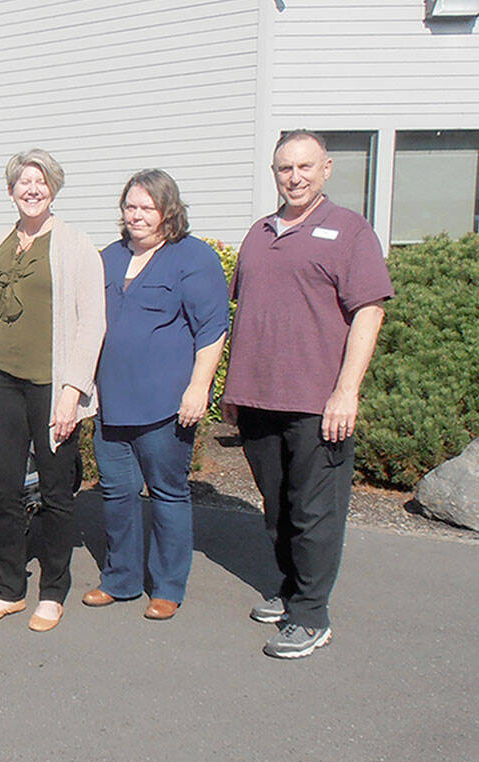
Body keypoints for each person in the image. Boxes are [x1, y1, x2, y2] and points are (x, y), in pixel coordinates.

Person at [223, 130, 392, 659]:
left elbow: (370, 310)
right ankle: (294, 588)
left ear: (327, 168)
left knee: (316, 512)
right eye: (283, 169)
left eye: (303, 167)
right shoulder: (259, 232)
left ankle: (312, 615)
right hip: (257, 399)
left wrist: (347, 391)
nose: (293, 177)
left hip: (317, 402)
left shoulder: (349, 230)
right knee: (279, 508)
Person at [0, 149, 106, 632]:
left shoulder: (74, 244)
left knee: (55, 493)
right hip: (2, 381)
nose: (32, 189)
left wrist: (73, 391)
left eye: (41, 181)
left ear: (53, 189)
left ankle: (52, 592)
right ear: (11, 191)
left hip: (53, 386)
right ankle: (9, 590)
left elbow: (92, 322)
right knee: (4, 490)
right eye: (24, 182)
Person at [86, 169, 228, 620]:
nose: (137, 216)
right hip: (112, 404)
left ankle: (167, 587)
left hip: (166, 405)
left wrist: (198, 388)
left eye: (147, 207)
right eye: (131, 207)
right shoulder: (108, 258)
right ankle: (121, 579)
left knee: (167, 492)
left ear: (169, 211)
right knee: (116, 493)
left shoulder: (192, 257)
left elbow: (212, 329)